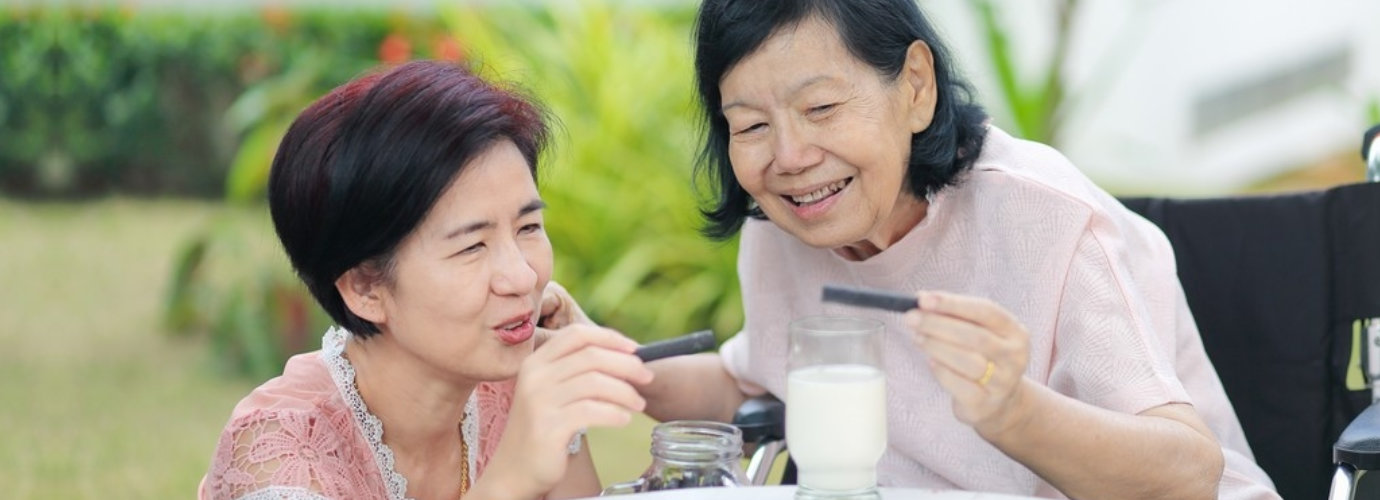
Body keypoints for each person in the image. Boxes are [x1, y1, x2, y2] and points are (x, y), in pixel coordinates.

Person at [628, 1, 1281, 498]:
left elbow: (1190, 471)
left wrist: (1015, 411)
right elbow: (747, 379)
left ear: (915, 86)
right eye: (752, 126)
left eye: (822, 107)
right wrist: (607, 365)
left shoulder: (1044, 219)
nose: (790, 158)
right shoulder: (778, 233)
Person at [199, 60, 653, 500]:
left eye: (528, 228)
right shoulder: (280, 452)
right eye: (472, 246)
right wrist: (510, 481)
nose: (522, 276)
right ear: (364, 288)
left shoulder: (520, 382)